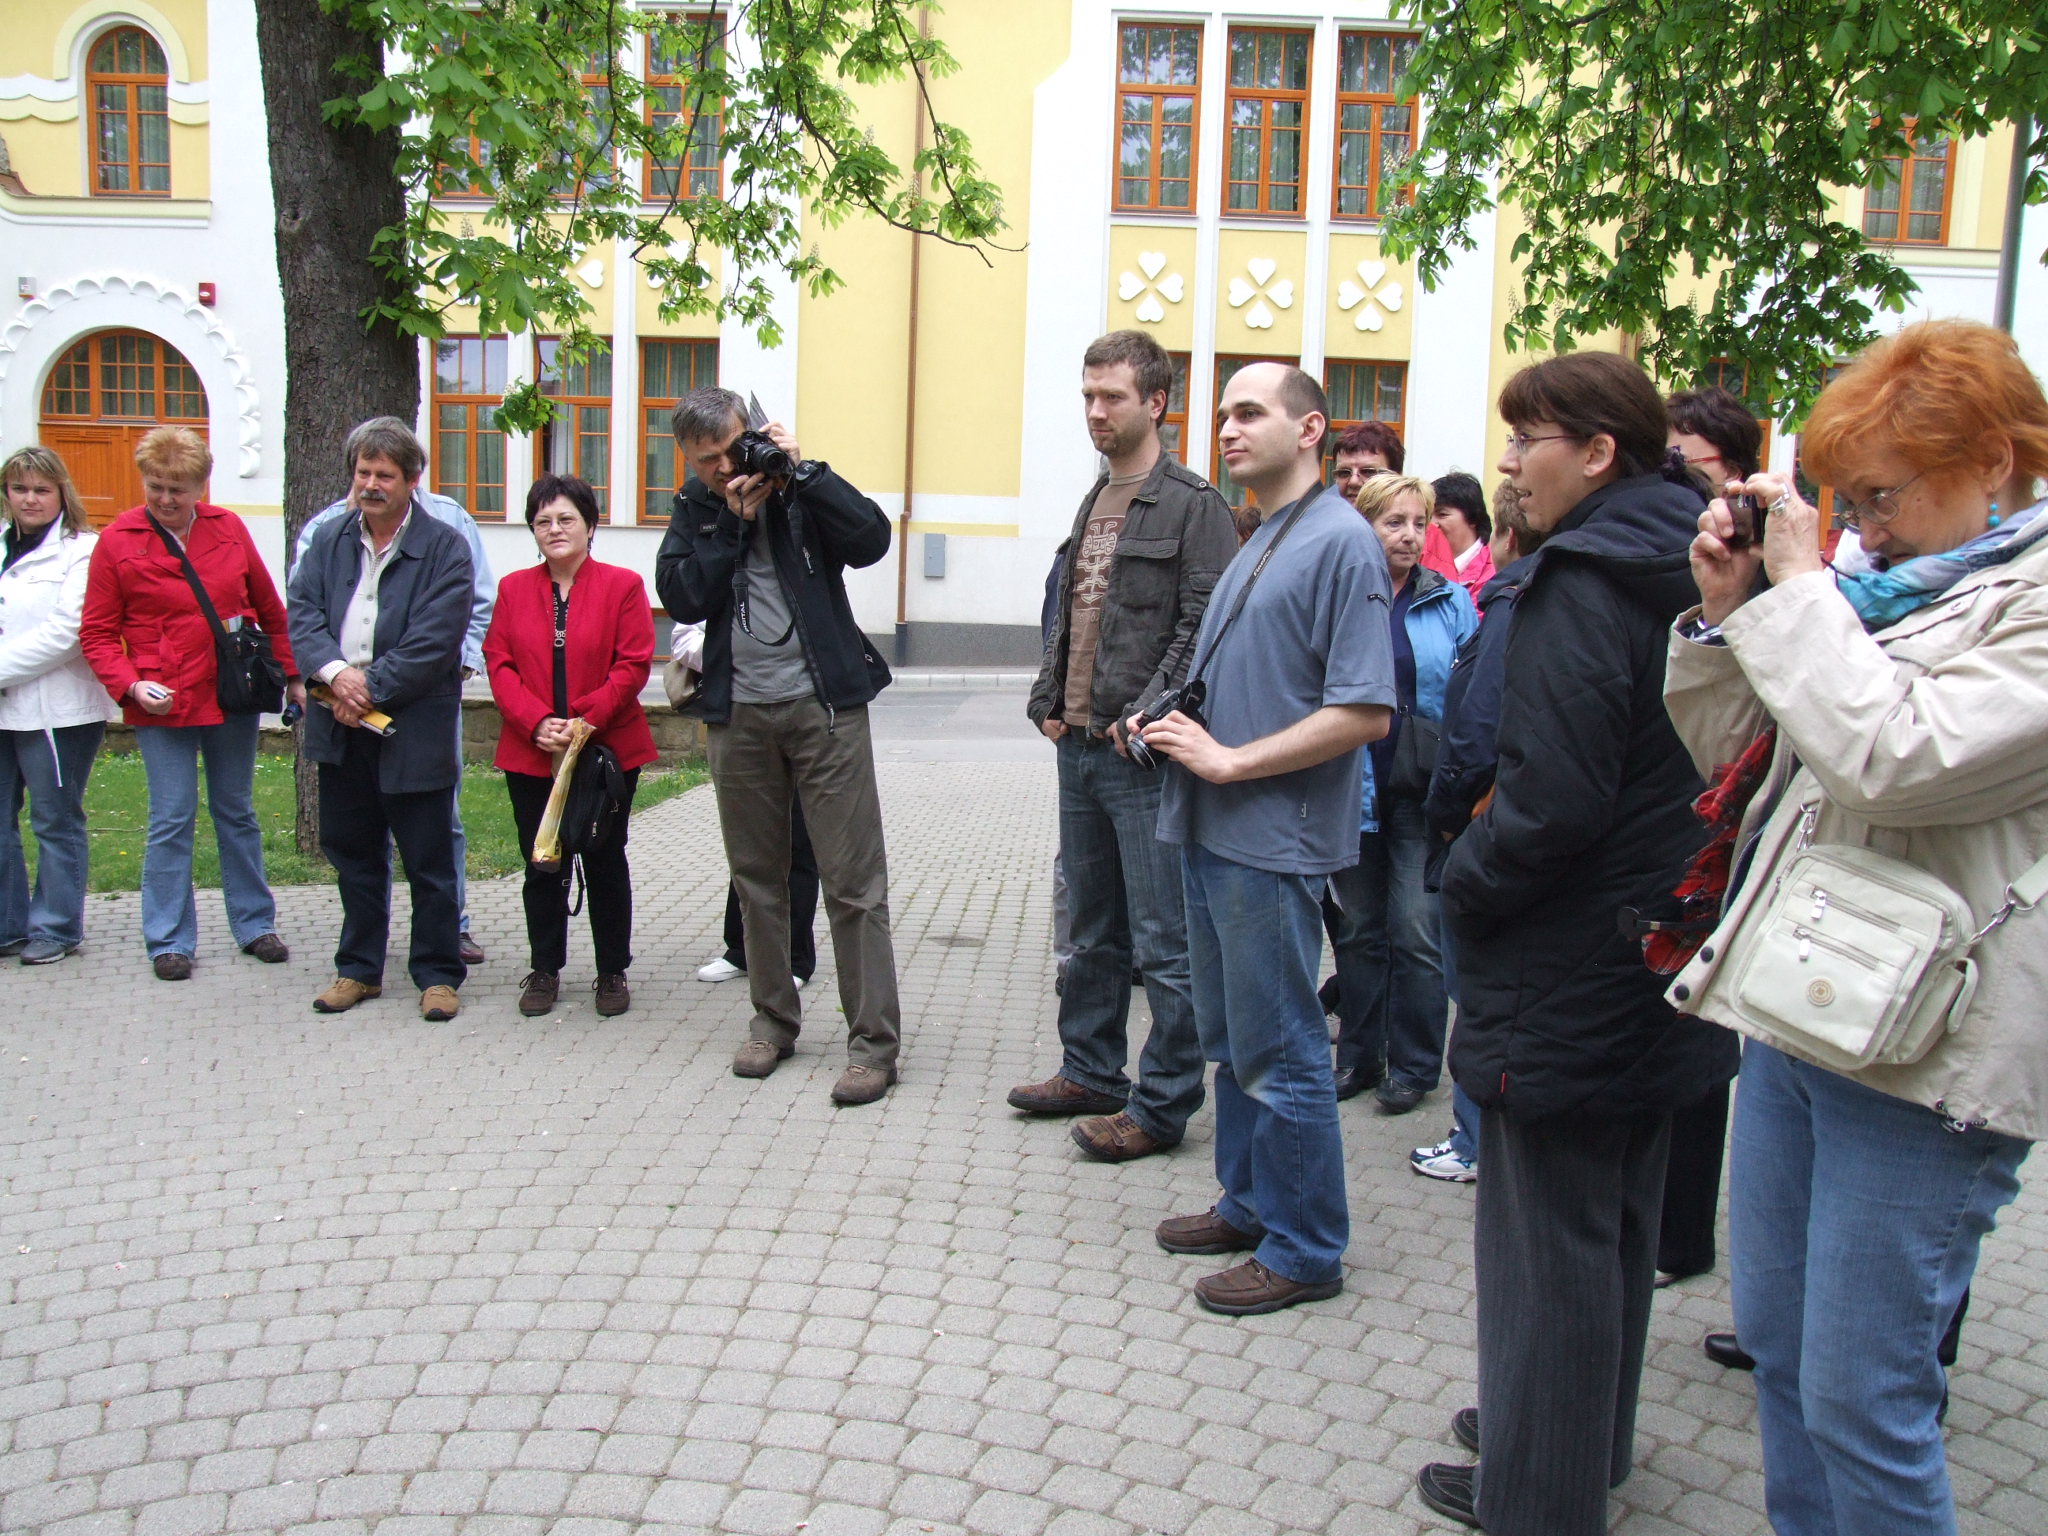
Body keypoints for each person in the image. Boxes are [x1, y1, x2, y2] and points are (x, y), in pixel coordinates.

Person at [1664, 318, 2048, 1536]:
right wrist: (1727, 615)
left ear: (1991, 461)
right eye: (1847, 500)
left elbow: (1890, 760)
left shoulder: (2026, 606)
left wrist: (1797, 598)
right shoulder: (1880, 598)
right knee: (1779, 1353)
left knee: (1862, 1396)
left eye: (1880, 496)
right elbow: (1743, 765)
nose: (1862, 529)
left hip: (1928, 1055)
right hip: (1805, 1005)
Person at [1415, 353, 1734, 1534]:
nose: (1506, 464)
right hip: (1659, 952)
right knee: (1610, 1229)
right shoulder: (1691, 558)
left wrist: (1460, 881)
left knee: (1546, 1254)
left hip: (1567, 964)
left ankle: (1537, 1498)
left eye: (1525, 439)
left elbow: (1546, 804)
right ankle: (1574, 1445)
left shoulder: (1580, 581)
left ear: (1596, 453)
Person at [1141, 362, 1394, 1316]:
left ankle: (1305, 1247)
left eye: (1249, 413)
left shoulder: (1342, 542)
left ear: (1311, 429)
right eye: (1222, 414)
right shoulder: (1262, 533)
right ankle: (1249, 1203)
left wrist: (1231, 761)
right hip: (1212, 825)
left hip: (1269, 836)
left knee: (1282, 1048)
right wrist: (1168, 727)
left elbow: (1364, 711)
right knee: (1235, 1039)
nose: (1227, 429)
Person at [1012, 330, 1238, 1162]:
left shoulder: (1194, 505)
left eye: (1112, 396)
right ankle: (1090, 1070)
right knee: (1092, 930)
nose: (1095, 411)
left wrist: (1144, 713)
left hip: (1141, 757)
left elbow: (1202, 628)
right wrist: (1048, 698)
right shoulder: (1096, 497)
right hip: (1077, 748)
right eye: (1087, 395)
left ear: (1156, 402)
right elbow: (1072, 614)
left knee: (1163, 940)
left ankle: (1163, 1103)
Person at [655, 387, 902, 1106]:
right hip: (740, 716)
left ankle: (873, 1046)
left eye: (732, 450)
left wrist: (807, 473)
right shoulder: (697, 507)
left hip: (825, 710)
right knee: (757, 878)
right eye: (705, 461)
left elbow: (871, 540)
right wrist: (729, 526)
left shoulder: (799, 486)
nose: (724, 468)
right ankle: (772, 1022)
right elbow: (682, 595)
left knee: (853, 883)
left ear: (754, 433)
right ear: (689, 461)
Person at [79, 427, 302, 980]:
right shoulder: (118, 539)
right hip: (162, 702)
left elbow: (271, 611)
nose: (166, 498)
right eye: (155, 486)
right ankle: (169, 939)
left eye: (177, 488)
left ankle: (255, 924)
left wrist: (294, 676)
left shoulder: (228, 529)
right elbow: (98, 634)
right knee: (172, 817)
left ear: (202, 485)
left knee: (236, 811)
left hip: (229, 695)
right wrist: (130, 685)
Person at [288, 429, 475, 1021]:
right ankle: (359, 969)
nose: (371, 485)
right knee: (354, 853)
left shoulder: (445, 547)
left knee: (429, 860)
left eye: (384, 475)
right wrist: (336, 675)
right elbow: (302, 614)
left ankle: (438, 974)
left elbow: (435, 639)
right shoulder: (329, 539)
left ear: (412, 481)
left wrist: (365, 689)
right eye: (363, 473)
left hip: (412, 727)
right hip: (339, 723)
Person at [1653, 386, 1767, 1287]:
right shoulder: (1675, 553)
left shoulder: (1776, 579)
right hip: (1673, 816)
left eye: (1684, 462)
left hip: (1732, 834)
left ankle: (1684, 1236)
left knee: (1700, 1045)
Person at [1330, 474, 1477, 1112]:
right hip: (1350, 788)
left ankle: (1415, 1066)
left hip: (1422, 791)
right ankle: (1358, 1058)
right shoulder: (1340, 597)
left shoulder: (1449, 601)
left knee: (1416, 929)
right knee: (1359, 930)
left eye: (1420, 523)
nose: (1410, 536)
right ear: (1365, 526)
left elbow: (1474, 693)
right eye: (1394, 522)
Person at [1410, 488, 1544, 1183]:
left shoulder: (1508, 602)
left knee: (1474, 989)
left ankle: (1473, 1140)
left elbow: (1474, 730)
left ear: (1507, 541)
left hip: (1483, 822)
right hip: (1510, 819)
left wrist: (1446, 814)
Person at [484, 473, 655, 1017]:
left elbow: (632, 664)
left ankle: (612, 971)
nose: (554, 529)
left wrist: (585, 721)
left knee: (604, 858)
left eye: (566, 519)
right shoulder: (513, 589)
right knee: (542, 862)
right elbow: (499, 663)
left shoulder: (623, 585)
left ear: (590, 525)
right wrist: (535, 721)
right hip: (532, 751)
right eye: (543, 521)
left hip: (606, 752)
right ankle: (544, 969)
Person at [0, 447, 115, 964]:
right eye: (19, 488)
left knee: (54, 818)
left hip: (58, 712)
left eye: (41, 490)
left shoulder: (83, 551)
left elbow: (66, 633)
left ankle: (57, 926)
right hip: (4, 709)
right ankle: (7, 924)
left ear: (61, 494)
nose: (30, 499)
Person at [676, 620, 822, 990]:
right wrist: (736, 655)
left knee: (798, 841)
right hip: (740, 712)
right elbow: (683, 637)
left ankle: (796, 959)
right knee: (747, 844)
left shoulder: (801, 580)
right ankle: (741, 950)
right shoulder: (721, 581)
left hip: (801, 712)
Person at [1432, 472, 1497, 598]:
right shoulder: (1421, 567)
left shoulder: (1493, 573)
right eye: (1427, 516)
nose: (1432, 524)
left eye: (1442, 514)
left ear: (1473, 518)